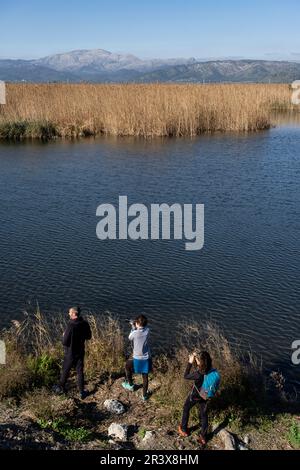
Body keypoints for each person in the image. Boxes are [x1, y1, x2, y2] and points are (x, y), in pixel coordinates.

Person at [178, 351, 220, 446]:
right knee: (204, 414)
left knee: (186, 408)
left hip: (196, 395)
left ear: (201, 363)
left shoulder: (198, 373)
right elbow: (202, 367)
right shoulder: (211, 369)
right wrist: (197, 360)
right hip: (205, 394)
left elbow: (186, 376)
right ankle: (203, 437)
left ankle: (184, 430)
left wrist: (189, 362)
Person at [53, 306, 91, 399]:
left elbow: (64, 341)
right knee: (80, 371)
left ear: (74, 313)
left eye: (70, 312)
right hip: (80, 351)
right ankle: (82, 392)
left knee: (65, 369)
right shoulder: (85, 323)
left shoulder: (71, 325)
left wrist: (63, 335)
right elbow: (89, 336)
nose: (69, 314)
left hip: (70, 352)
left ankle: (60, 387)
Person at [122, 315, 151, 401]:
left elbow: (130, 337)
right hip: (146, 358)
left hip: (137, 358)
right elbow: (143, 328)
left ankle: (130, 385)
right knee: (145, 377)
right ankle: (144, 396)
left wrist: (133, 327)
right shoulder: (148, 331)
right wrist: (137, 325)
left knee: (127, 366)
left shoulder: (134, 333)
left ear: (137, 323)